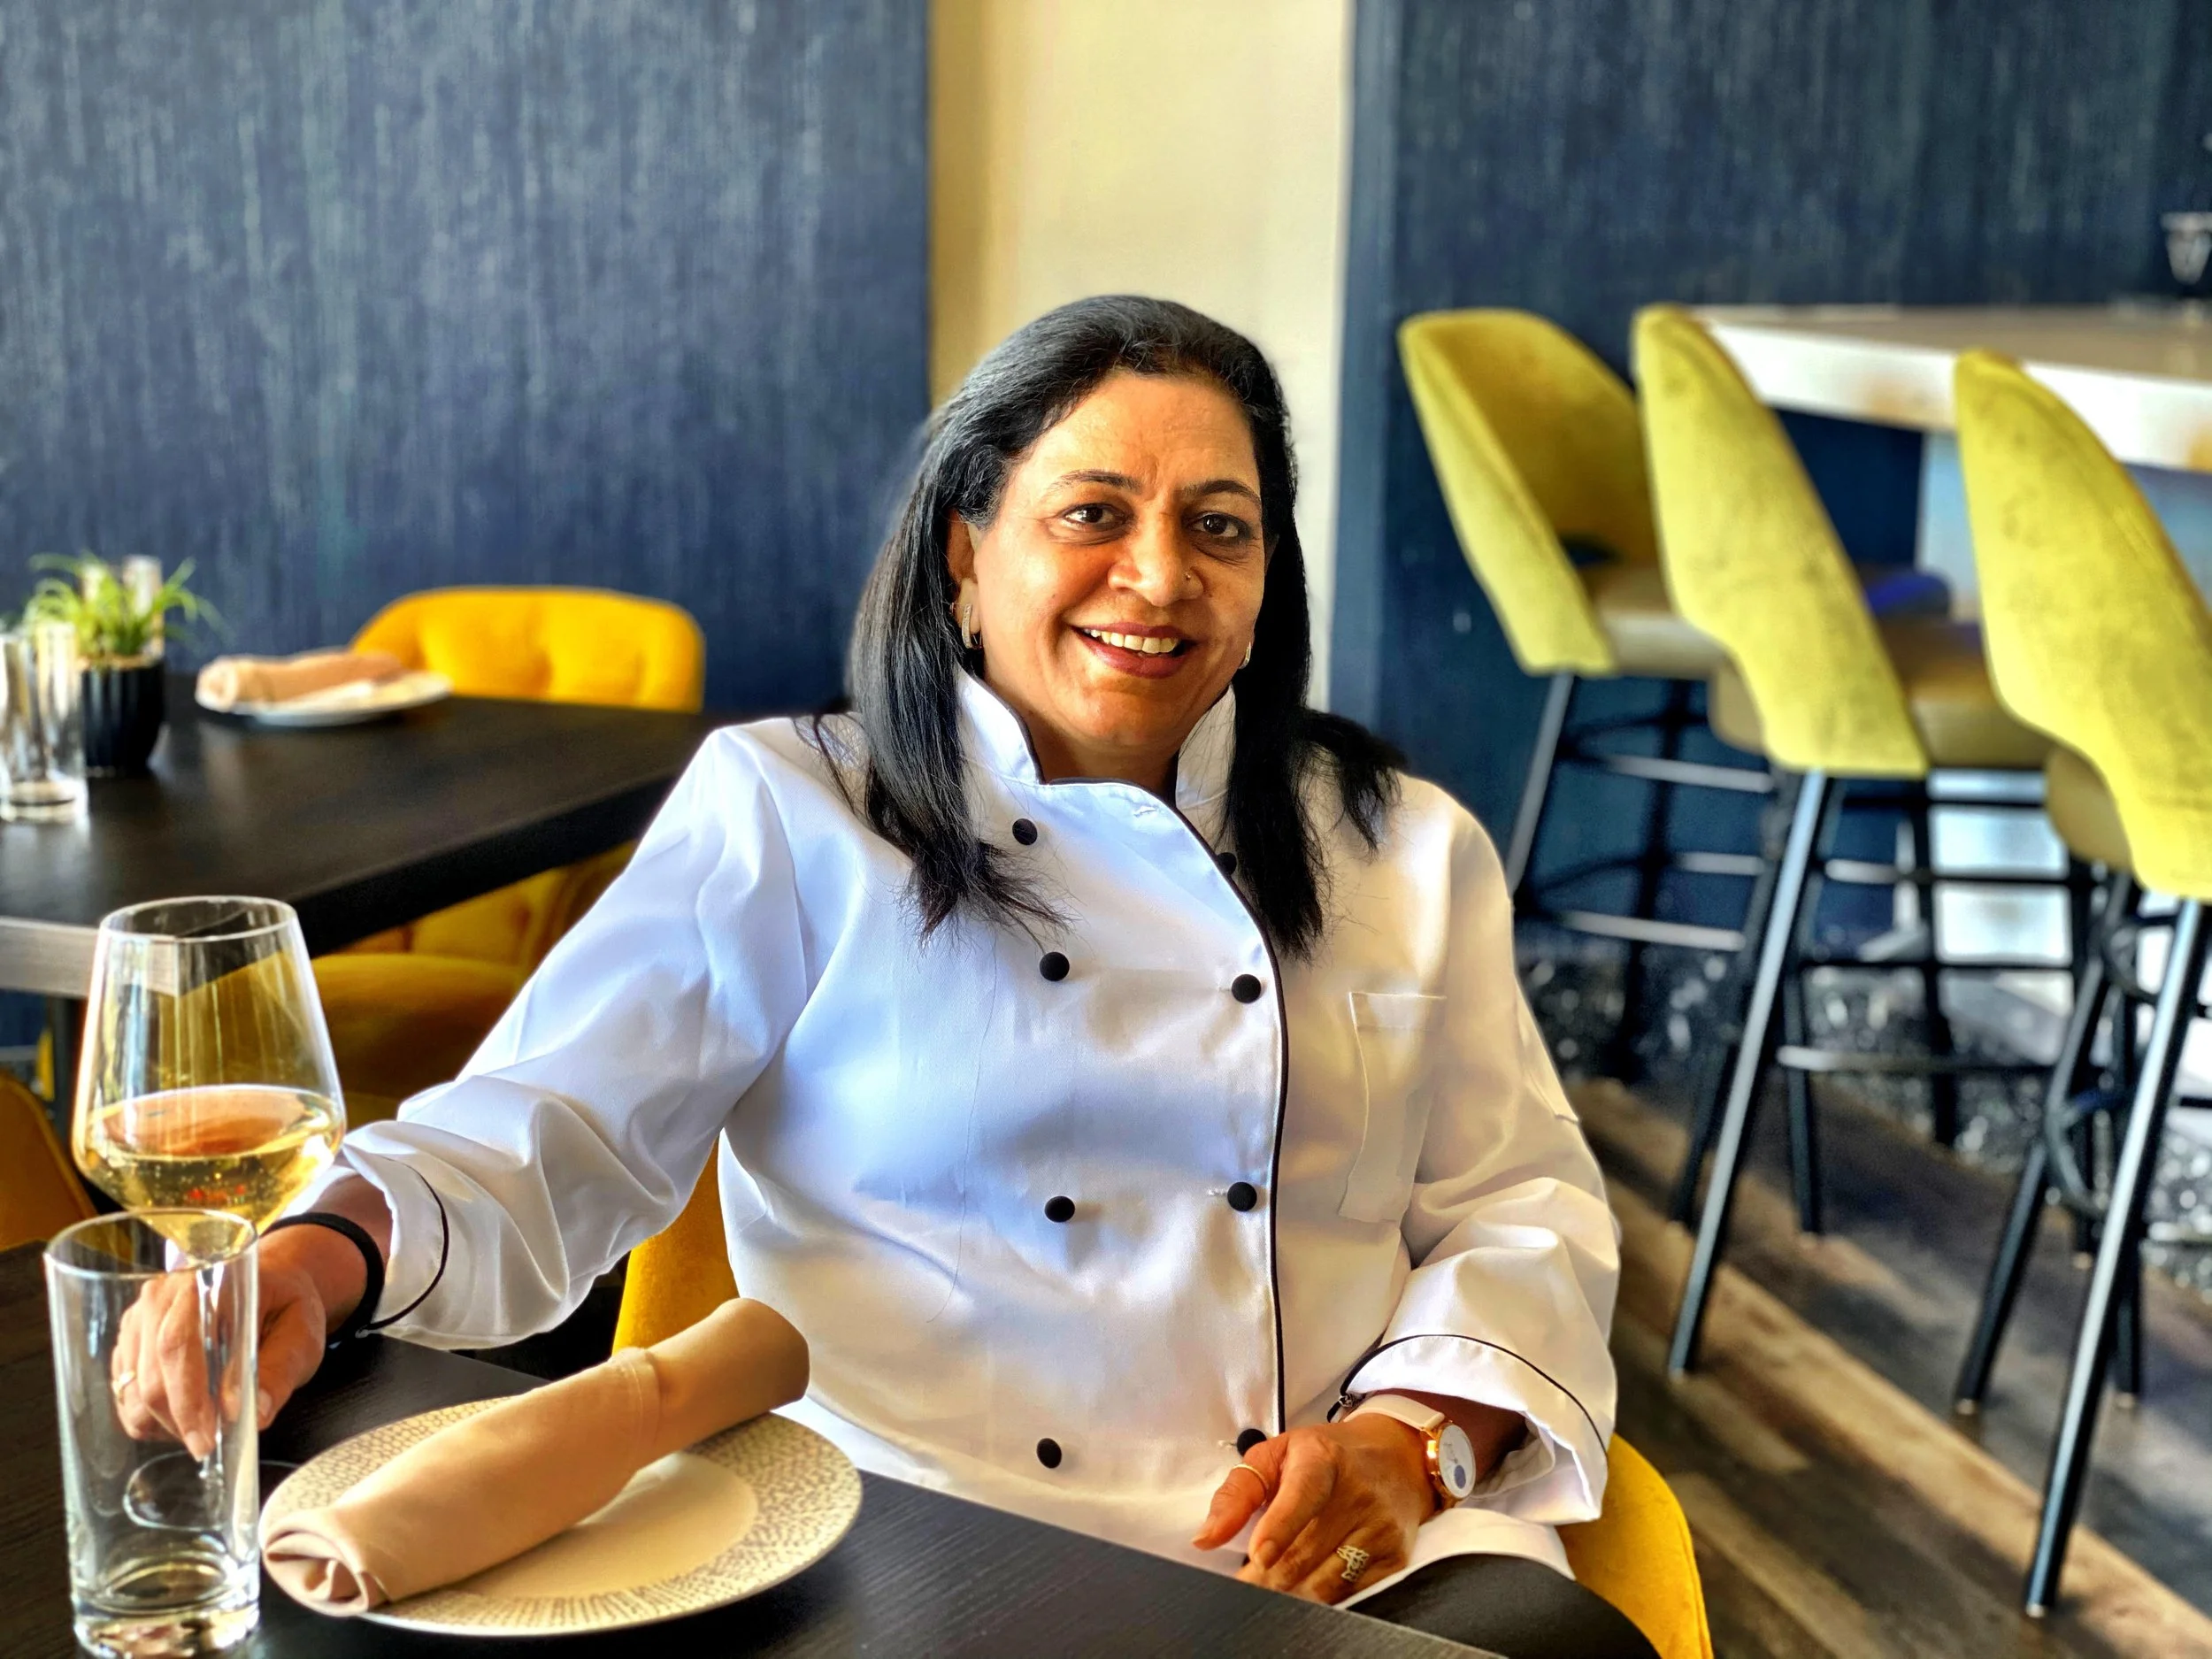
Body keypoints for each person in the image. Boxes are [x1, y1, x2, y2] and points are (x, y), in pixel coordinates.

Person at [119, 296, 1653, 1658]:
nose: (1159, 575)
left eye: (1220, 526)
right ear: (967, 552)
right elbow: (547, 1123)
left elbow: (1521, 1199)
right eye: (1094, 512)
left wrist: (1417, 1443)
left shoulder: (1402, 846)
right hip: (916, 1540)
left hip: (1341, 1554)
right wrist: (318, 1253)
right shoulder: (794, 808)